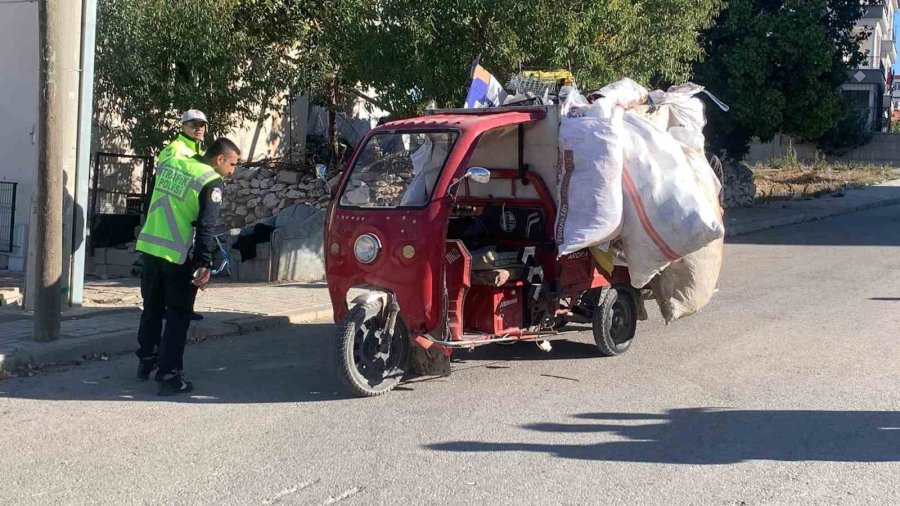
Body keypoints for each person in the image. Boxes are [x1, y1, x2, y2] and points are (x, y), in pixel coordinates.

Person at [134, 138, 240, 395]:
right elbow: (206, 226)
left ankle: (146, 360)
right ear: (219, 159)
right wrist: (204, 263)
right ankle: (169, 376)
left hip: (149, 248)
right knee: (178, 317)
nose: (233, 171)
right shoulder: (210, 181)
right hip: (177, 256)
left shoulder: (172, 164)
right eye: (233, 164)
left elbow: (149, 201)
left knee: (151, 309)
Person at [154, 109, 209, 321]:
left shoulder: (197, 152)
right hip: (171, 219)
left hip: (187, 219)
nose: (199, 128)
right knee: (172, 272)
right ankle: (172, 310)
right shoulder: (174, 150)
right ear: (183, 126)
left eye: (202, 125)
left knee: (190, 269)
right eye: (194, 124)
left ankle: (186, 308)